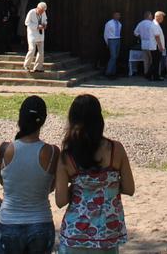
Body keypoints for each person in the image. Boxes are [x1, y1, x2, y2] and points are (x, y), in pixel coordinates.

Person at [55, 94, 133, 253]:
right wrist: (109, 187)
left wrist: (77, 190)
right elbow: (129, 188)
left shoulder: (67, 156)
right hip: (107, 234)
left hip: (74, 234)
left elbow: (60, 200)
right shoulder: (116, 150)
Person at [0, 95, 57, 254]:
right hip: (41, 220)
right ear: (43, 121)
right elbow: (51, 186)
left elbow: (3, 181)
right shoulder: (52, 152)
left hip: (9, 220)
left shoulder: (4, 149)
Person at [23, 1, 48, 74]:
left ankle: (38, 67)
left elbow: (45, 20)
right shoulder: (31, 12)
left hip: (40, 34)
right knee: (32, 49)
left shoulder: (43, 13)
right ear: (37, 8)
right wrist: (37, 26)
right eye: (41, 11)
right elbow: (27, 23)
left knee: (41, 52)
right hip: (32, 34)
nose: (42, 12)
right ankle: (26, 65)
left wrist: (45, 25)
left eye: (43, 11)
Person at [103, 12, 122, 79]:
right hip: (111, 40)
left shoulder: (119, 24)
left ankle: (113, 72)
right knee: (113, 56)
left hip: (118, 39)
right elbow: (106, 33)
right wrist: (107, 42)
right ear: (113, 15)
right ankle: (108, 72)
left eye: (119, 15)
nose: (118, 16)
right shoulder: (109, 23)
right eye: (117, 15)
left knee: (116, 56)